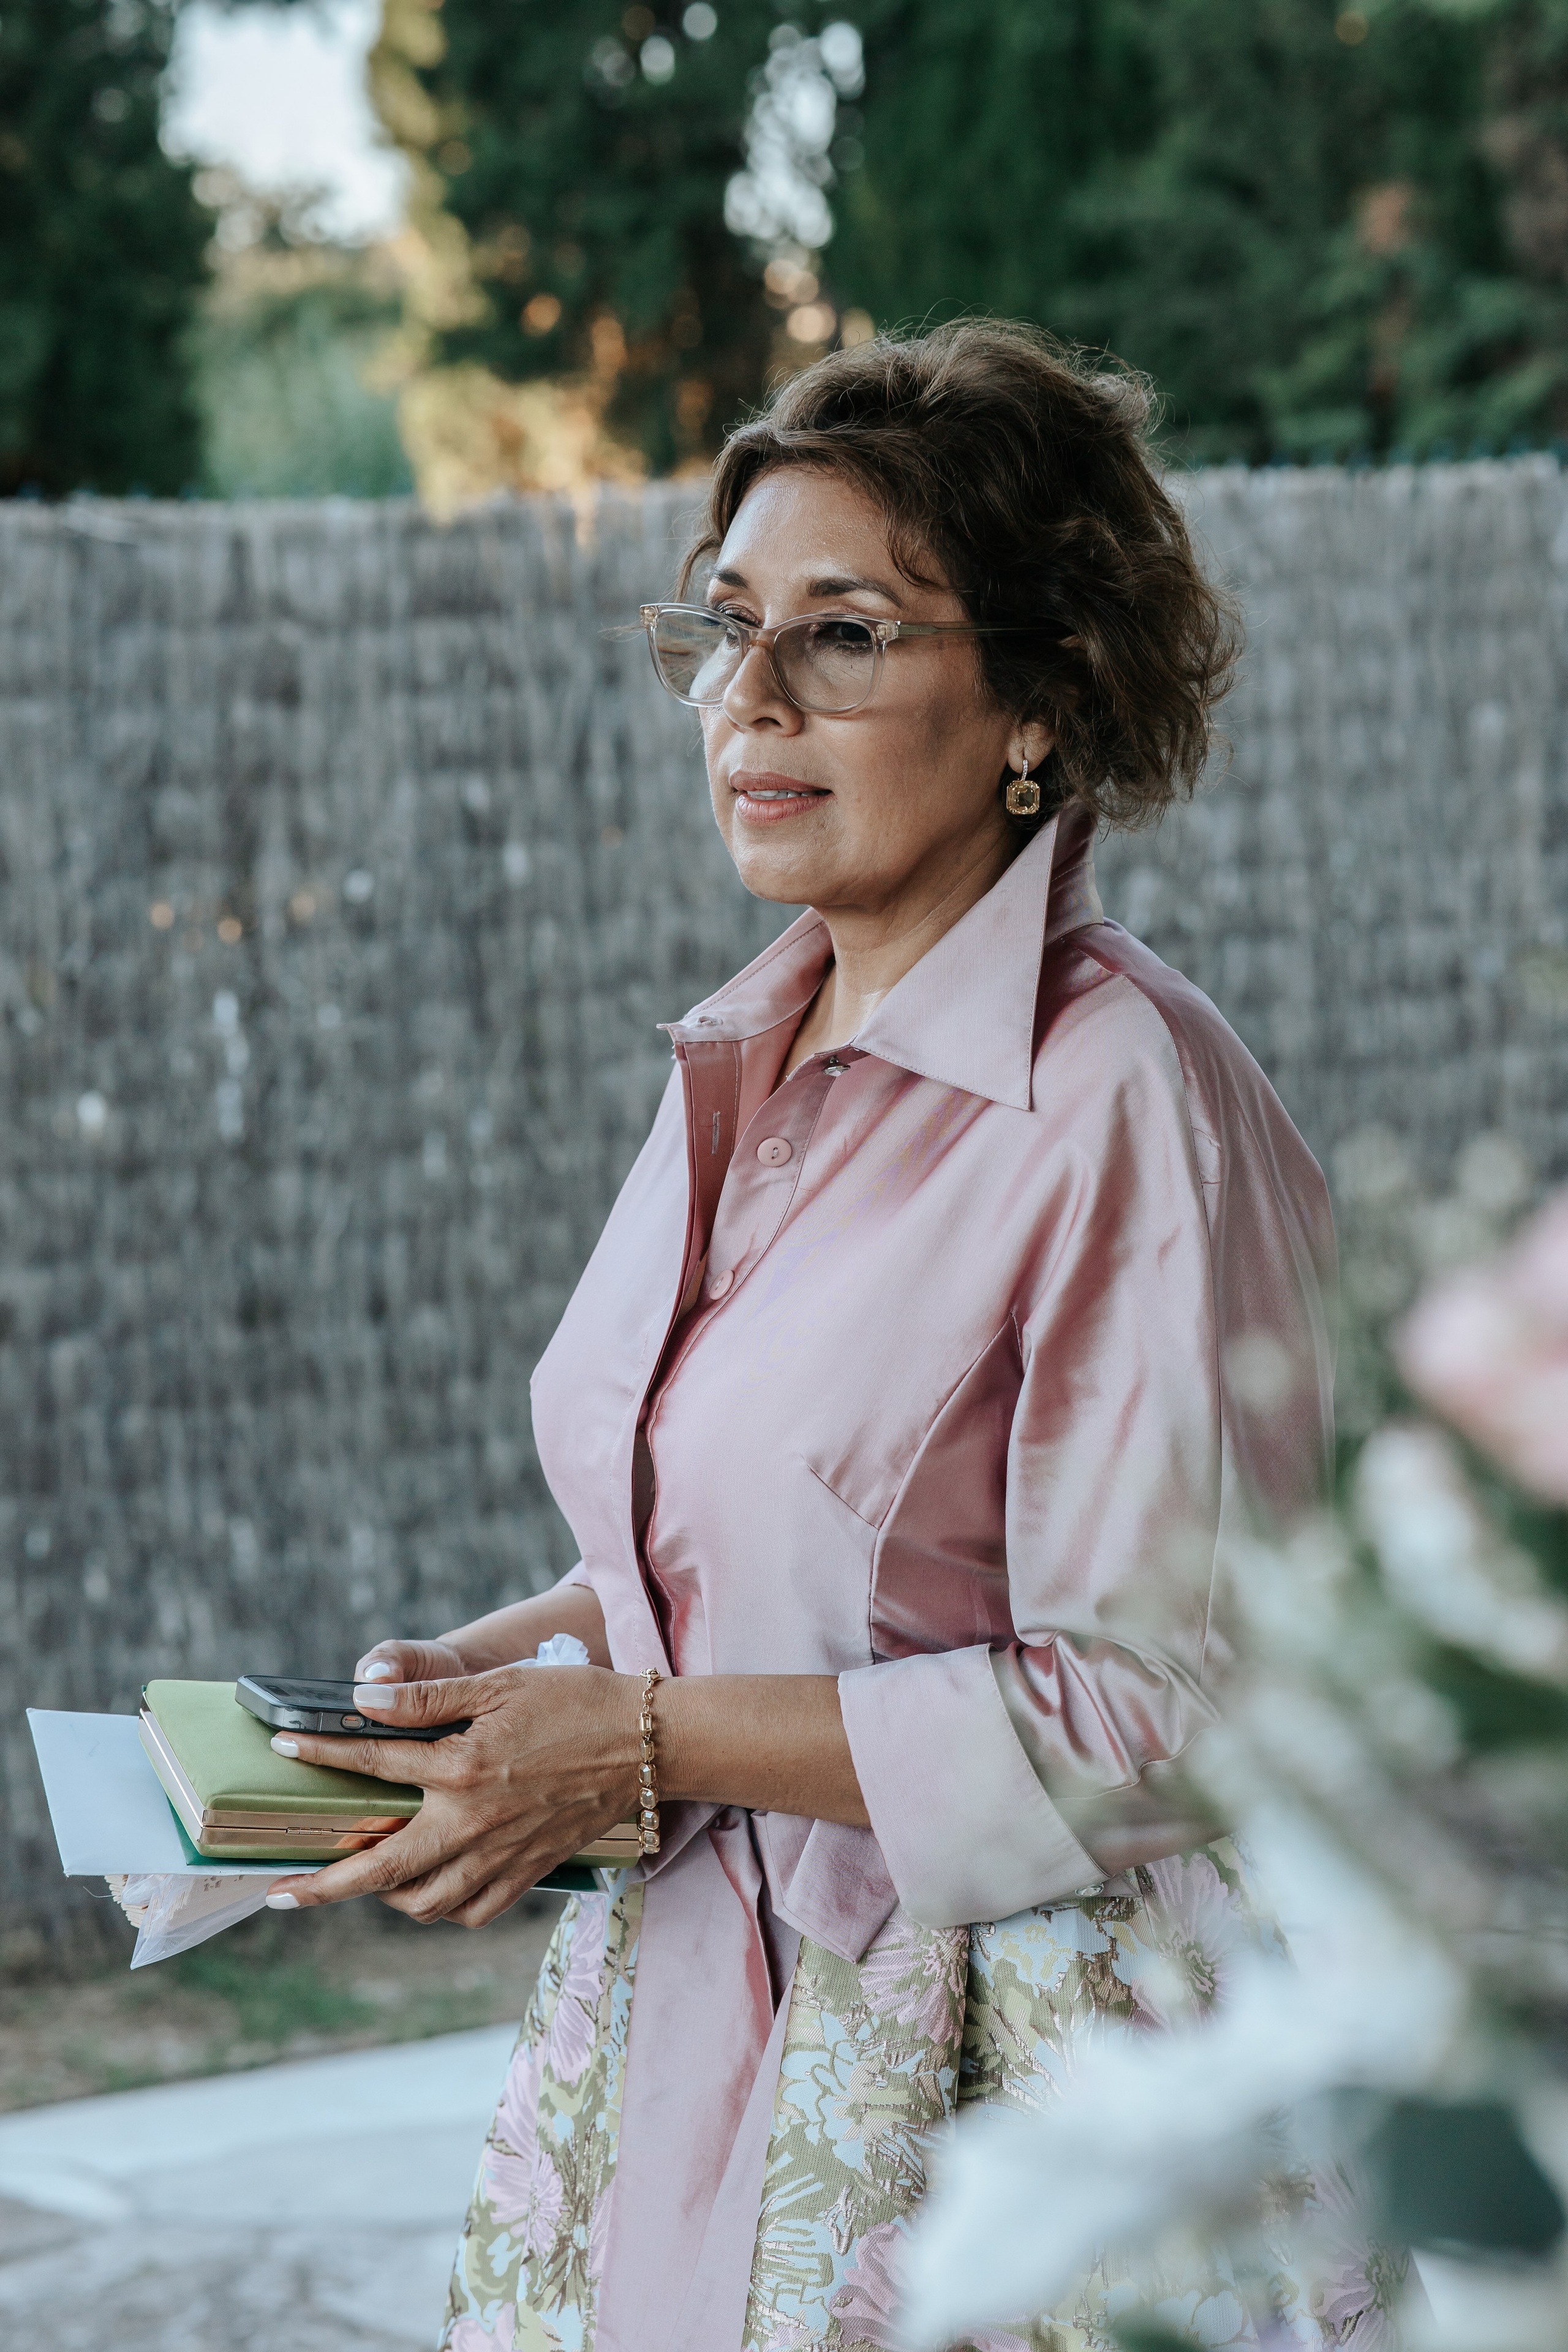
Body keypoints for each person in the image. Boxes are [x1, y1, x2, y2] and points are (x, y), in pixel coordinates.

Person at [265, 322, 1382, 2351]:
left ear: (1042, 694)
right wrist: (501, 1684)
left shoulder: (1125, 1089)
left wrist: (639, 1740)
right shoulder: (747, 1052)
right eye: (725, 627)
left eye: (843, 634)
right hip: (675, 2032)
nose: (752, 697)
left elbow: (1169, 1706)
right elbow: (750, 1562)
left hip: (1002, 2114)